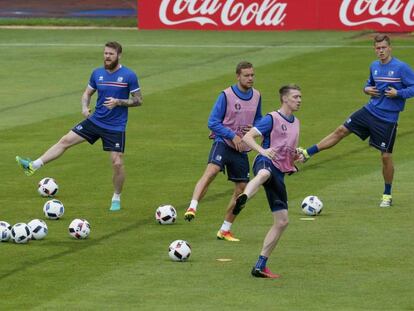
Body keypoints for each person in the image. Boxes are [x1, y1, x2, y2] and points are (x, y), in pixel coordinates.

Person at [16, 41, 143, 211]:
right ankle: (33, 166)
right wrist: (84, 107)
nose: (107, 57)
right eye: (105, 53)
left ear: (119, 55)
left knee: (117, 162)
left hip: (115, 127)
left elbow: (138, 100)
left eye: (111, 54)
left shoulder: (129, 75)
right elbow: (87, 93)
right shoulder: (97, 73)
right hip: (95, 120)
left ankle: (116, 197)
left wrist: (119, 102)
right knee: (65, 140)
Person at [297, 34, 414, 208]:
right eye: (377, 48)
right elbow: (369, 84)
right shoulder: (374, 66)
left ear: (390, 48)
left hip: (387, 119)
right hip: (369, 111)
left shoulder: (401, 68)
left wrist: (399, 94)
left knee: (385, 156)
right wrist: (366, 89)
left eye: (383, 47)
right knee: (341, 130)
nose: (380, 51)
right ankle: (308, 153)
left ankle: (387, 194)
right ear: (374, 49)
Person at [184, 61, 262, 242]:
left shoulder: (257, 96)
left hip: (242, 148)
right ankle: (193, 206)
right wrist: (232, 135)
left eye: (252, 75)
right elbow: (212, 122)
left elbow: (259, 119)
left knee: (242, 190)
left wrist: (255, 127)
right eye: (246, 75)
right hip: (224, 143)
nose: (250, 78)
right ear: (238, 76)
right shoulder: (226, 95)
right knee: (211, 171)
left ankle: (225, 230)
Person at [232, 84, 302, 278]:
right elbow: (247, 137)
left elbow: (288, 150)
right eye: (296, 97)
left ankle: (260, 265)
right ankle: (243, 198)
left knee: (282, 221)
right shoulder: (272, 118)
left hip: (279, 170)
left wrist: (295, 159)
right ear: (285, 99)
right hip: (265, 161)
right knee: (263, 174)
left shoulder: (296, 123)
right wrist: (263, 151)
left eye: (300, 97)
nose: (299, 100)